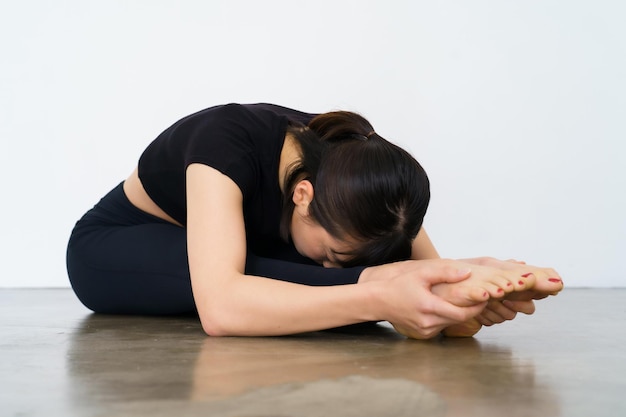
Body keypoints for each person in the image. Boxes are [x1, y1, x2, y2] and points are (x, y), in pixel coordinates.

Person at [66, 103, 563, 339]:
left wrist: (457, 299)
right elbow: (221, 310)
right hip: (121, 248)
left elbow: (431, 281)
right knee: (237, 271)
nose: (330, 267)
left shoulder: (358, 171)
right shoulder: (225, 141)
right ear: (303, 195)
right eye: (333, 255)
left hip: (244, 256)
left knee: (360, 263)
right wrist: (382, 296)